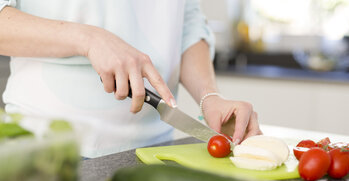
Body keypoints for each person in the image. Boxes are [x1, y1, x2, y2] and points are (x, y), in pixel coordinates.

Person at [0, 0, 261, 158]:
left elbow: (187, 20)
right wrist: (88, 39)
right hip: (47, 151)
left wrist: (210, 96)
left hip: (158, 151)